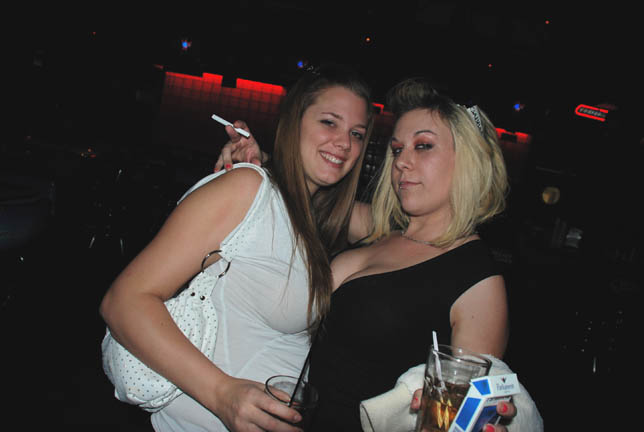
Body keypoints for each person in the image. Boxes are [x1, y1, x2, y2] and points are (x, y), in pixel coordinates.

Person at [214, 78, 542, 431]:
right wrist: (260, 160)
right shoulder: (382, 228)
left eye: (424, 146)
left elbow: (464, 416)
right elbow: (308, 200)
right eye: (397, 149)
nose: (402, 162)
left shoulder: (478, 281)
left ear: (469, 161)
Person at [99, 64, 375, 432]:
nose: (344, 143)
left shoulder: (313, 216)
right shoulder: (248, 188)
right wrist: (222, 394)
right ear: (293, 123)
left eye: (357, 134)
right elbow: (123, 302)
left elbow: (403, 224)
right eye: (329, 122)